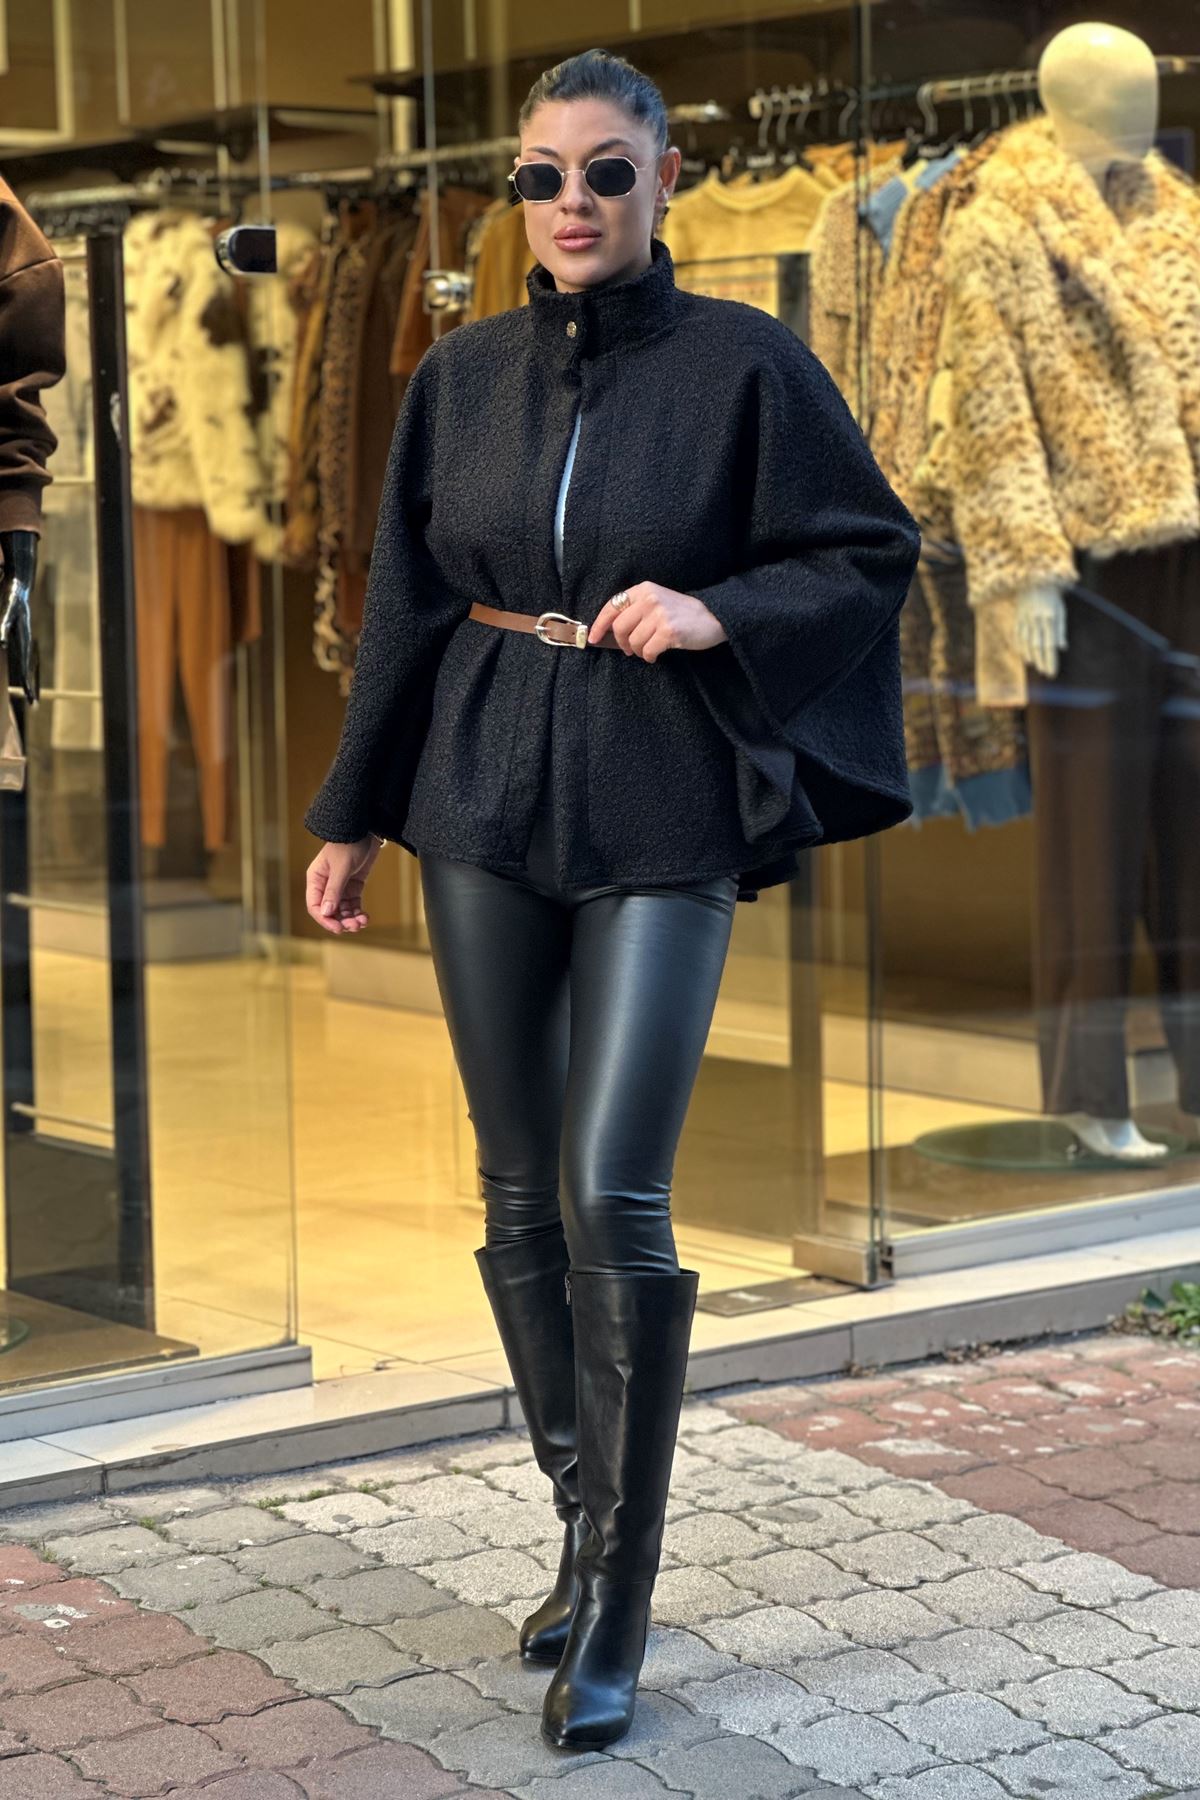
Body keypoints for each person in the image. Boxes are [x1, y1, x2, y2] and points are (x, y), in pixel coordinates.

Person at [304, 47, 920, 1752]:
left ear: (663, 184)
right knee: (516, 1190)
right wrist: (352, 815)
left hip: (665, 797)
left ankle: (619, 1613)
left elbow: (868, 550)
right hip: (480, 791)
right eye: (541, 178)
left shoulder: (747, 364)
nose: (570, 203)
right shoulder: (459, 375)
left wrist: (723, 613)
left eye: (604, 173)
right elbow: (407, 606)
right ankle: (584, 1531)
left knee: (609, 1191)